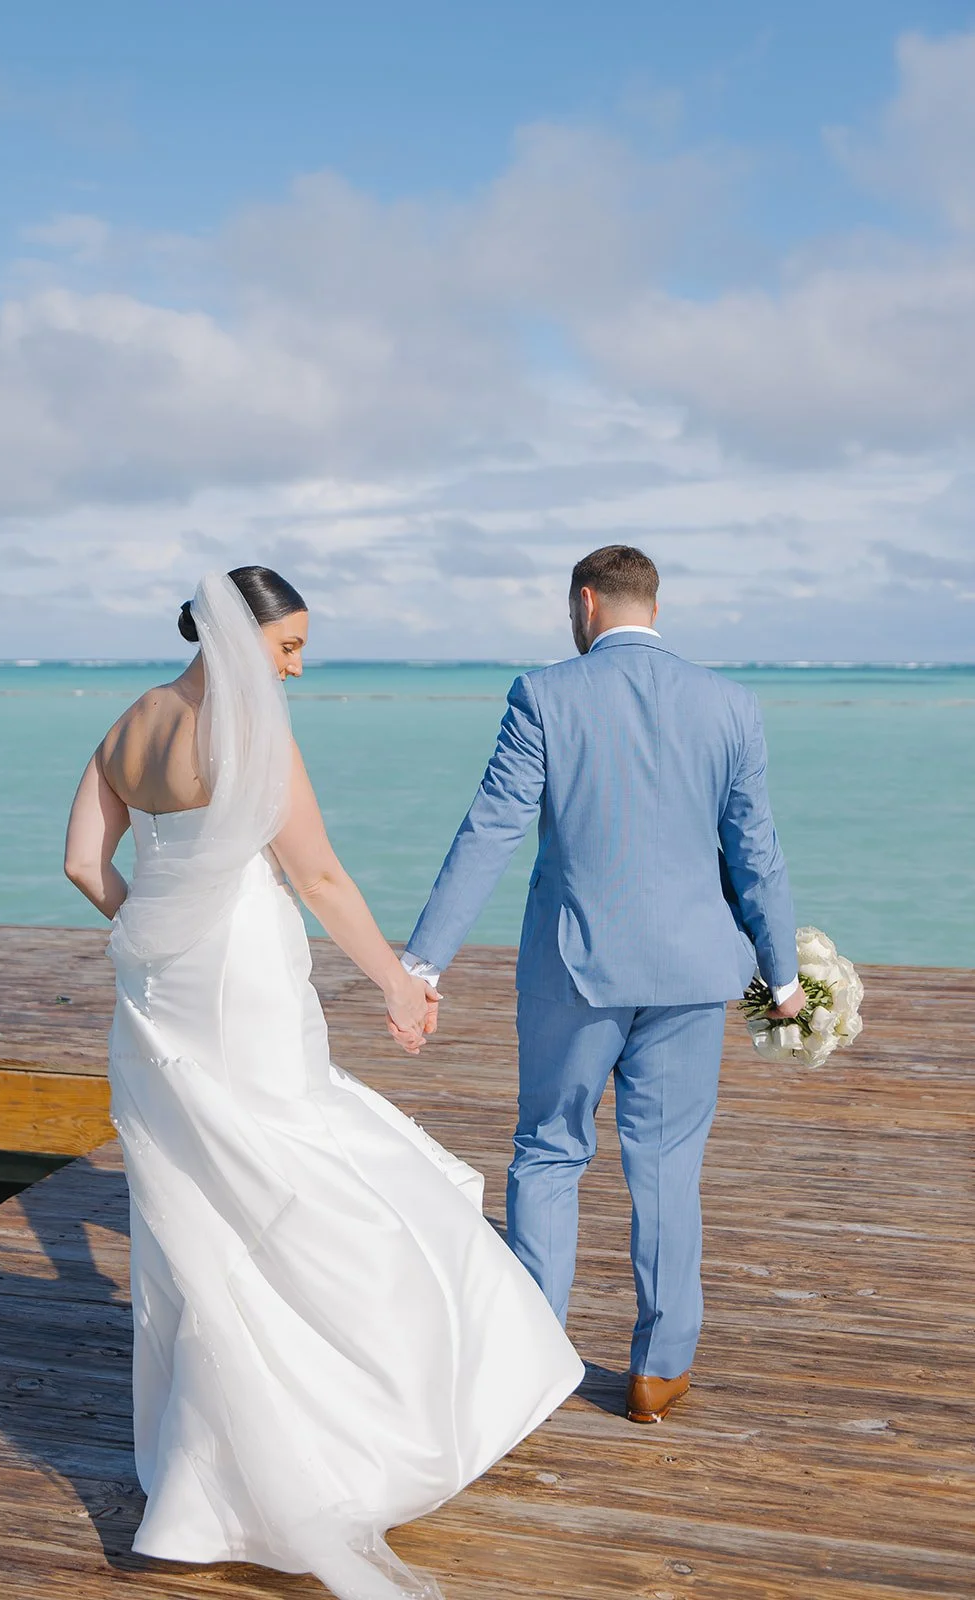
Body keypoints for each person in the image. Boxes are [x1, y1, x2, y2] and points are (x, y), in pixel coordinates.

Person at [64, 566, 582, 1600]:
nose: (296, 666)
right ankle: (361, 1427)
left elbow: (84, 862)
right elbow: (321, 878)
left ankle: (206, 1480)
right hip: (243, 976)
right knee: (302, 1168)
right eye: (288, 646)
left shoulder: (126, 726)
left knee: (197, 1205)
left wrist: (155, 925)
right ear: (236, 636)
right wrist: (398, 981)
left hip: (159, 987)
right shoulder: (253, 739)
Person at [403, 545, 802, 1426]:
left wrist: (423, 959)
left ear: (585, 603)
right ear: (650, 607)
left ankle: (537, 1363)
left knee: (549, 1153)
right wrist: (782, 977)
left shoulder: (543, 694)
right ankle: (658, 1374)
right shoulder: (730, 705)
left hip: (574, 972)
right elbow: (755, 853)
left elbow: (490, 831)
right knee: (666, 1170)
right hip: (695, 974)